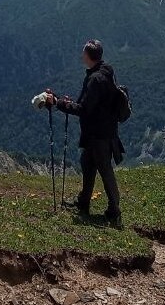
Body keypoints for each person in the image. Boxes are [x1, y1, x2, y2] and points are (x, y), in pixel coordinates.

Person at [45, 40, 123, 222]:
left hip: (99, 135)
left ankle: (115, 211)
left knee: (104, 170)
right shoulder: (106, 71)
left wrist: (58, 103)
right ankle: (83, 202)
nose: (81, 56)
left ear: (88, 56)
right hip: (103, 131)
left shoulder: (95, 79)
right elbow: (91, 104)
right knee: (87, 164)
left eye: (83, 53)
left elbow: (83, 109)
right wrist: (68, 103)